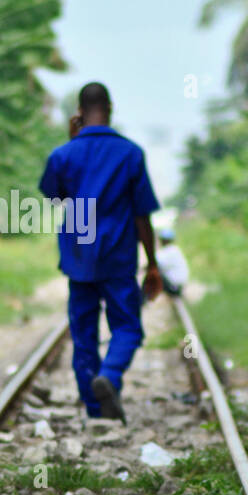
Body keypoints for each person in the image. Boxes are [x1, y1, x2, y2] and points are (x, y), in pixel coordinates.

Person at [40, 82, 161, 421]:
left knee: (83, 334)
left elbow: (54, 197)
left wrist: (71, 140)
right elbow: (142, 215)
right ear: (110, 108)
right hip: (118, 257)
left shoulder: (63, 155)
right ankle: (109, 377)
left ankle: (96, 410)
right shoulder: (131, 153)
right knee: (128, 328)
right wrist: (152, 263)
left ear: (79, 111)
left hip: (78, 257)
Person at [156, 228, 189, 296]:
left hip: (174, 284)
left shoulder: (167, 251)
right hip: (180, 282)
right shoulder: (175, 249)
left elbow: (158, 265)